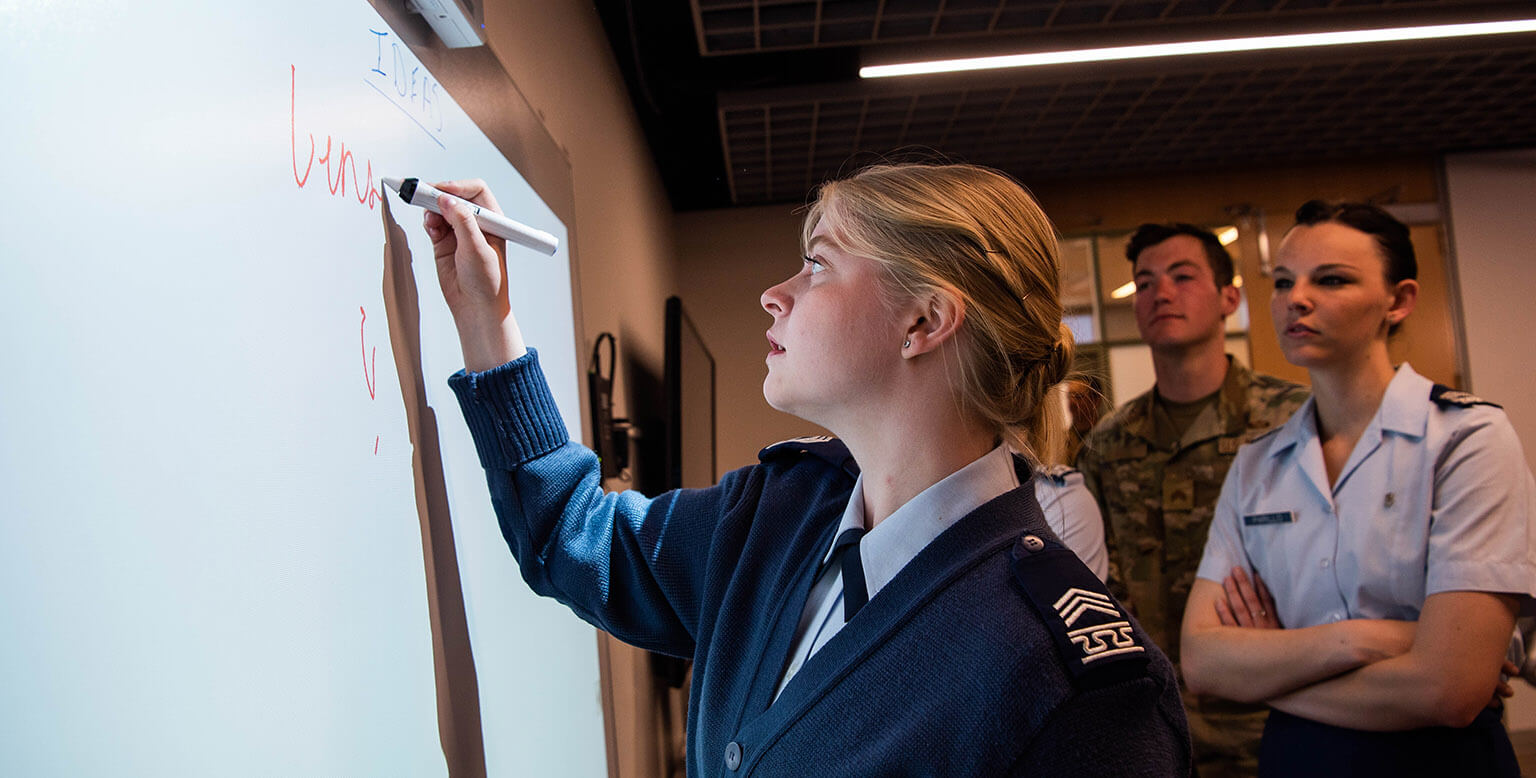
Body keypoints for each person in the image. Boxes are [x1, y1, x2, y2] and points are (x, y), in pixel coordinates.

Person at [420, 163, 1192, 776]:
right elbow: (571, 535)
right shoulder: (777, 514)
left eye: (817, 266)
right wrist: (486, 319)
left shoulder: (1077, 682)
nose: (772, 295)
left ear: (924, 320)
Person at [1181, 200, 1536, 777]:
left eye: (1332, 280)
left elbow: (1448, 689)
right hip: (1298, 760)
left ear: (1398, 301)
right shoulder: (1258, 465)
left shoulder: (1464, 440)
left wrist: (1267, 673)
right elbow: (1202, 662)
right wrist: (1365, 640)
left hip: (1439, 761)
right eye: (1283, 282)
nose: (1297, 299)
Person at [1075, 223, 1308, 776]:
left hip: (1274, 718)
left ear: (1230, 298)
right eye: (1145, 282)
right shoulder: (1109, 444)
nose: (1162, 293)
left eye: (1183, 276)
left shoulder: (1292, 422)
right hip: (1155, 726)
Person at [1033, 383, 1110, 581]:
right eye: (1069, 396)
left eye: (1079, 397)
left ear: (1096, 399)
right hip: (1075, 532)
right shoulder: (1058, 442)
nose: (1071, 402)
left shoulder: (1111, 439)